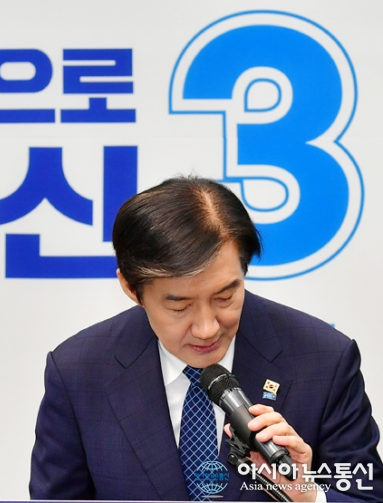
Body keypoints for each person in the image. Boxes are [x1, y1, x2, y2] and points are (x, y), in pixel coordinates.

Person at [29, 176, 383, 502]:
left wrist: (307, 495)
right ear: (131, 288)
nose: (207, 328)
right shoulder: (79, 372)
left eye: (224, 297)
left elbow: (366, 496)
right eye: (179, 306)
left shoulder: (324, 359)